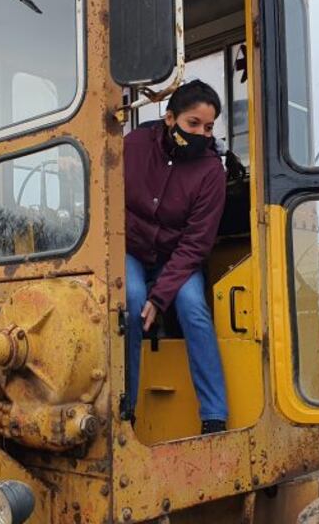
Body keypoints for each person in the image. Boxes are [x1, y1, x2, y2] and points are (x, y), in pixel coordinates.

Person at [123, 79, 228, 434]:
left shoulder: (212, 171)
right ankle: (128, 408)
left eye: (209, 127)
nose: (202, 134)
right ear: (170, 119)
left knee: (193, 308)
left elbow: (197, 243)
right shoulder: (134, 146)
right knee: (132, 299)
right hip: (132, 248)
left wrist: (161, 295)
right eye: (193, 124)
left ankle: (214, 415)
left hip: (177, 257)